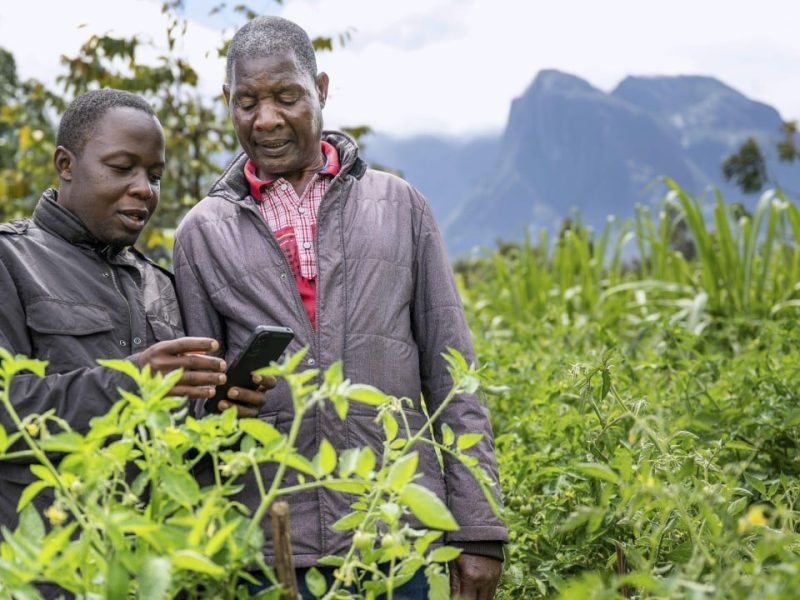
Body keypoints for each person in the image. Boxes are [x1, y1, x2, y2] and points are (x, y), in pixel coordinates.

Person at [173, 16, 508, 599]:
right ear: (227, 102)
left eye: (287, 96)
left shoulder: (399, 205)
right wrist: (218, 409)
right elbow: (193, 406)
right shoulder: (201, 232)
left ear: (320, 89)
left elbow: (455, 376)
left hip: (397, 539)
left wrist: (479, 531)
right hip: (268, 548)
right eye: (247, 101)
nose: (267, 119)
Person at [0, 89, 270, 534]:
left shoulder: (160, 284)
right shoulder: (11, 261)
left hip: (151, 565)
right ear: (65, 165)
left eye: (155, 175)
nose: (144, 189)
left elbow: (179, 447)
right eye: (122, 168)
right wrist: (130, 382)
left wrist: (219, 414)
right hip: (48, 571)